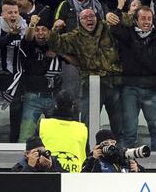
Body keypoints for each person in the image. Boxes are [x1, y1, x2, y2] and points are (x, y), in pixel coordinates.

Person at [47, 9, 123, 144]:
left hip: (113, 82)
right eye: (84, 17)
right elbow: (56, 44)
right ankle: (89, 155)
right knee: (88, 123)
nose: (89, 19)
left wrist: (114, 14)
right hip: (91, 83)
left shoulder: (107, 27)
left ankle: (119, 155)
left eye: (92, 16)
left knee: (119, 124)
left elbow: (128, 22)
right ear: (79, 21)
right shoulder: (75, 36)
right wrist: (54, 30)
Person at [110, 6, 156, 151]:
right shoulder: (127, 34)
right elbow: (114, 29)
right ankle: (127, 165)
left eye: (149, 19)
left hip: (152, 88)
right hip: (130, 88)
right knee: (130, 130)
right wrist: (115, 12)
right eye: (143, 18)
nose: (146, 22)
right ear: (135, 20)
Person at [0, 0, 27, 142]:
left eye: (15, 12)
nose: (14, 15)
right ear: (2, 14)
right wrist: (11, 36)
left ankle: (15, 144)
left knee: (16, 114)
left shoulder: (25, 24)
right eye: (9, 12)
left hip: (16, 77)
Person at [18, 13, 62, 142]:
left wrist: (59, 53)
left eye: (44, 30)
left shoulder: (57, 45)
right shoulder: (28, 45)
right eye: (37, 30)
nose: (40, 33)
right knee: (25, 137)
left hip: (54, 97)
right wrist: (31, 25)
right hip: (33, 97)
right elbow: (27, 38)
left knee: (55, 138)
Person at [39, 90, 88, 173]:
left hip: (49, 174)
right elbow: (86, 154)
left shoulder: (43, 124)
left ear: (55, 105)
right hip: (75, 176)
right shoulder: (82, 128)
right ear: (72, 106)